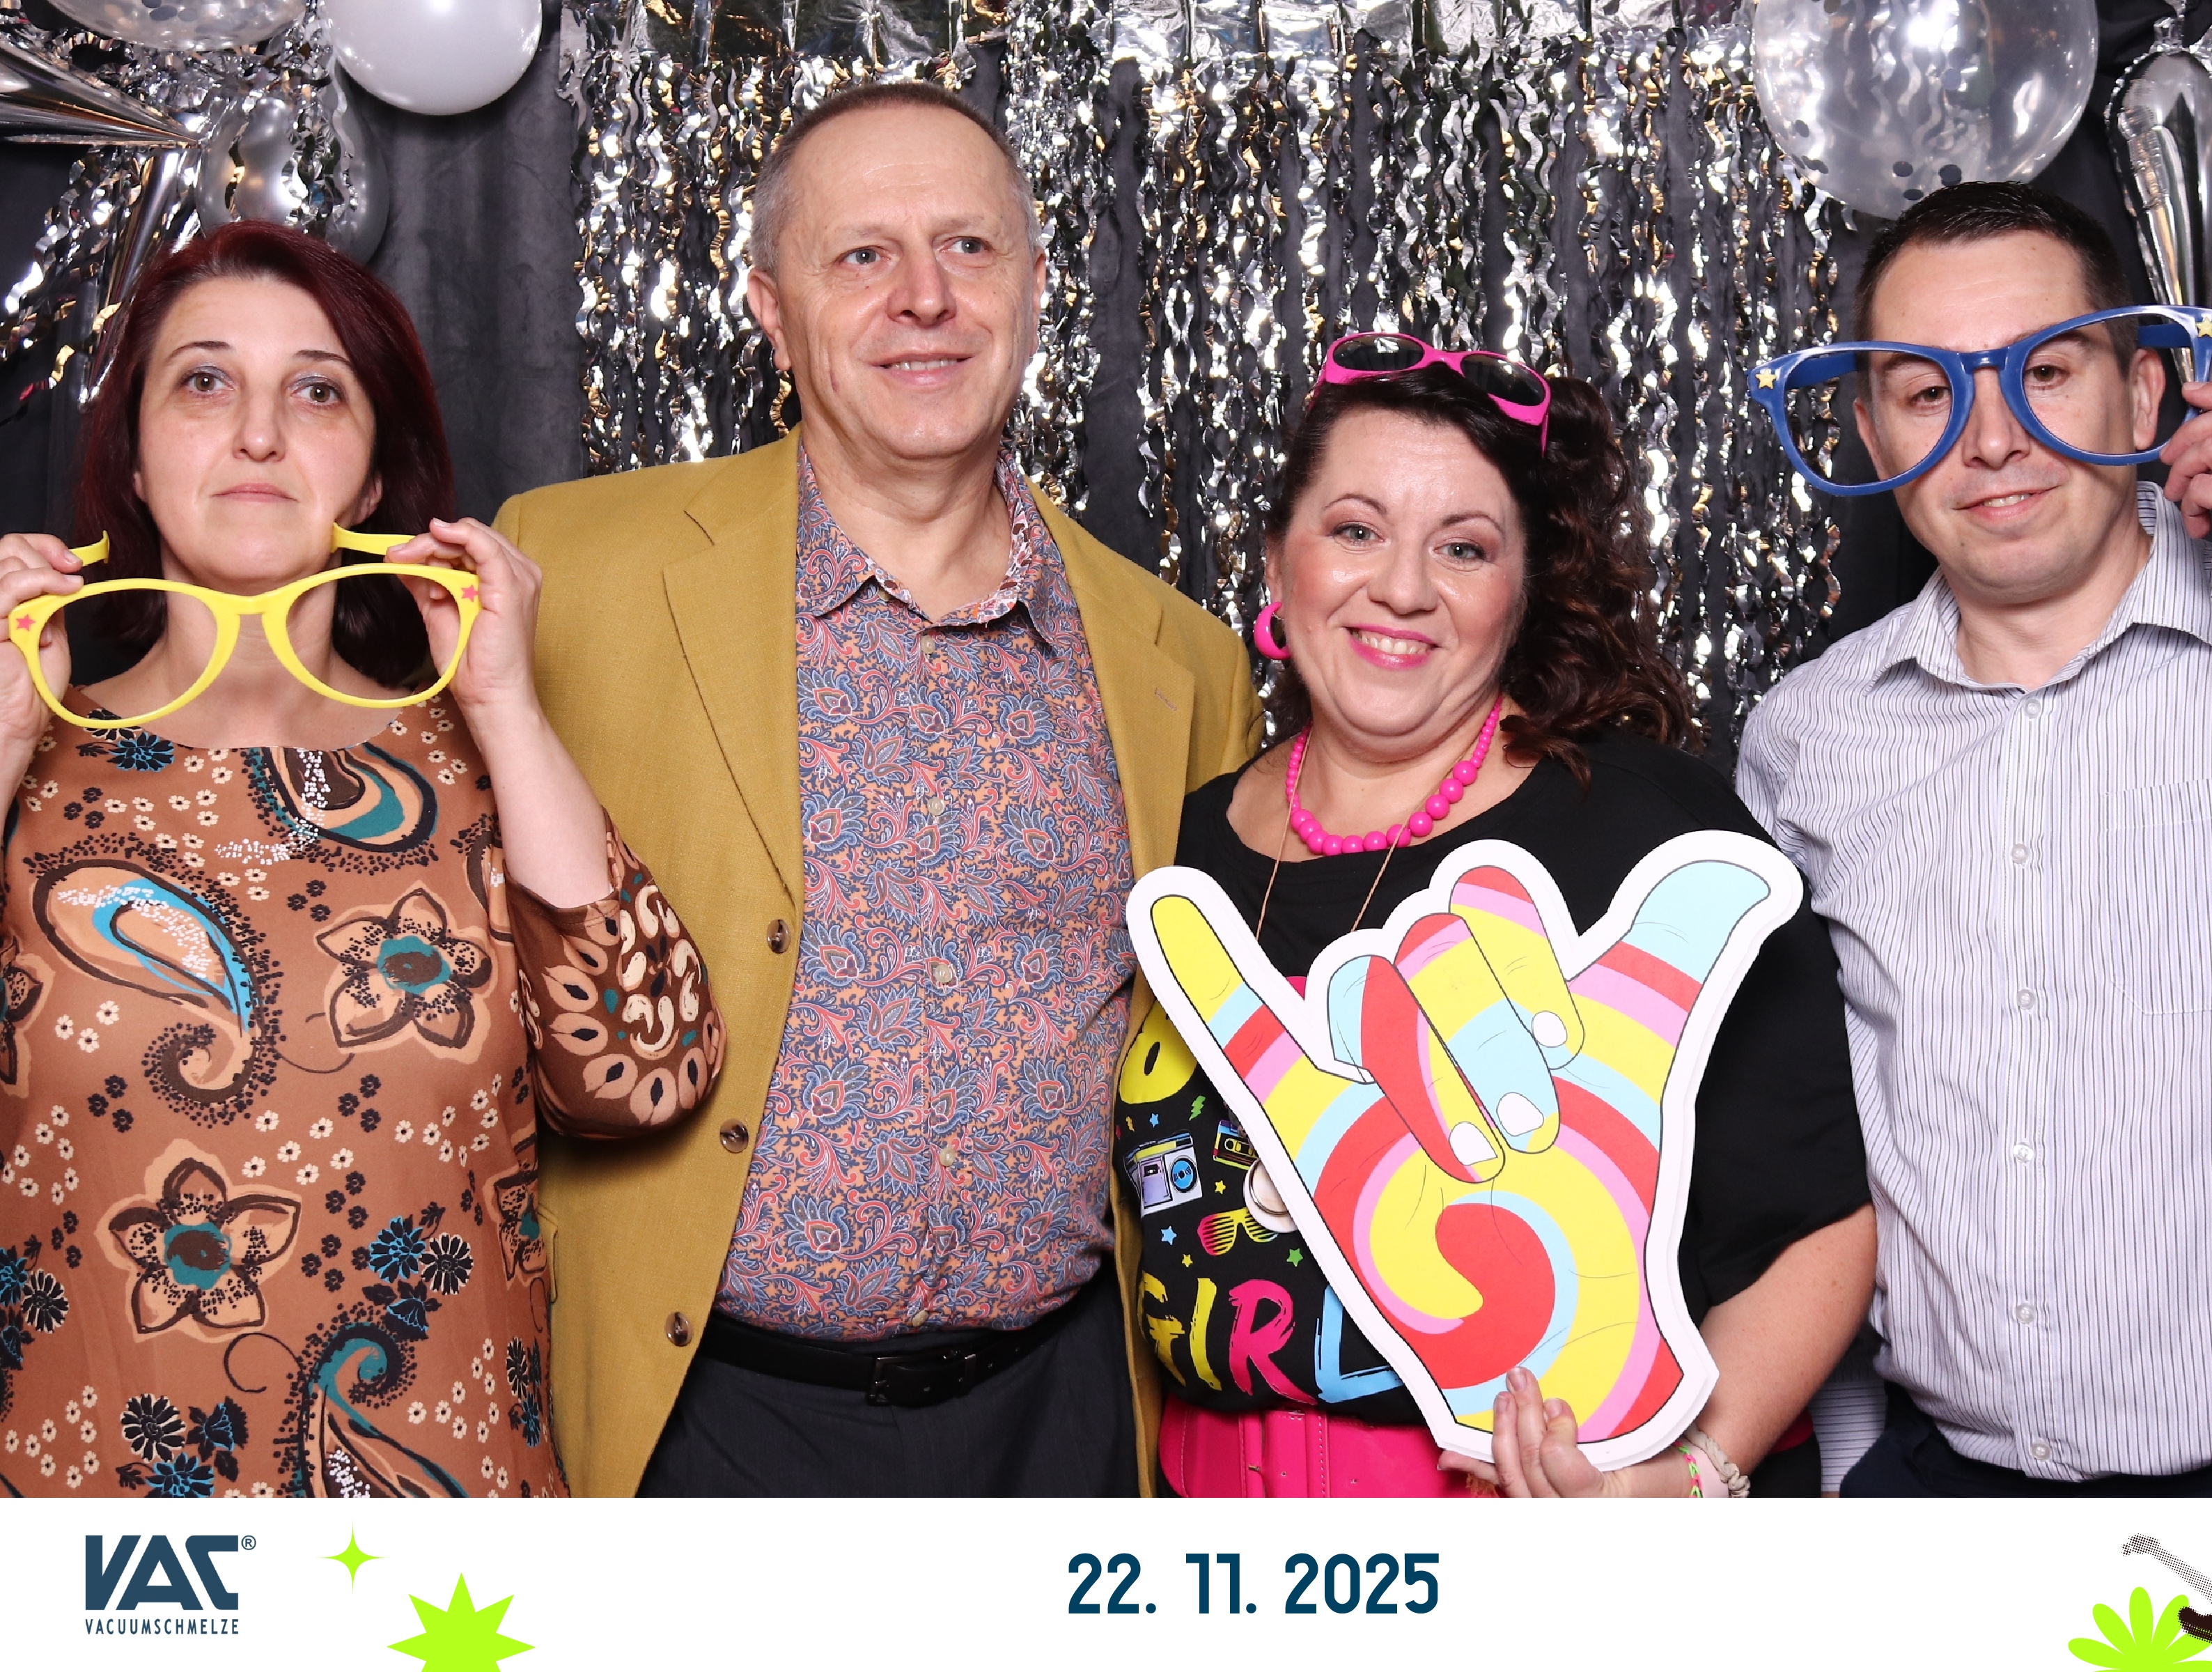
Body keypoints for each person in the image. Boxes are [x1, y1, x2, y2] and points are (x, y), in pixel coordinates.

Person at [494, 82, 1261, 1496]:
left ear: (1034, 288)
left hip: (1061, 1418)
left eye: (969, 247)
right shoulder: (572, 575)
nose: (925, 297)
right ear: (772, 311)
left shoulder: (1184, 664)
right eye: (862, 255)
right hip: (703, 1422)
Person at [1736, 181, 2212, 1496]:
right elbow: (1815, 1145)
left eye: (2045, 371)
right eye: (1927, 392)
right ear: (1870, 430)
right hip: (1936, 1492)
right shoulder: (1807, 735)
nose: (1993, 440)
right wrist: (1853, 1475)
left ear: (2145, 395)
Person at [0, 221, 719, 1499]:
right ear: (134, 462)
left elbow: (649, 1078)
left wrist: (506, 707)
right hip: (101, 1537)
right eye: (205, 382)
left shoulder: (471, 762)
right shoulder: (33, 764)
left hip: (444, 1552)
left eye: (317, 391)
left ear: (378, 475)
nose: (258, 434)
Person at [1121, 340, 1878, 1497]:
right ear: (1278, 557)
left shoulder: (1644, 829)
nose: (1403, 589)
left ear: (1523, 592)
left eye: (1463, 548)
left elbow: (1819, 1224)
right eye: (1356, 530)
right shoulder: (1176, 839)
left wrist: (1681, 1484)